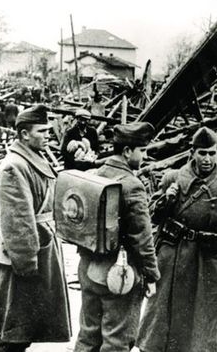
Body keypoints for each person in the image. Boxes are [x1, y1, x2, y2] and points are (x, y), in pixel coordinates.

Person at [137, 126, 217, 352]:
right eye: (202, 153)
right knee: (164, 322)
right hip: (173, 258)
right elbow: (153, 216)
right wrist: (167, 199)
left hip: (208, 264)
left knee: (204, 326)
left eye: (212, 153)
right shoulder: (172, 179)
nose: (207, 159)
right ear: (192, 152)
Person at [0, 105, 71, 351]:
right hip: (24, 256)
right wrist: (26, 262)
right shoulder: (15, 166)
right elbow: (17, 220)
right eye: (42, 131)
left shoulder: (32, 158)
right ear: (24, 134)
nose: (48, 135)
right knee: (16, 329)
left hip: (39, 246)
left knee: (26, 324)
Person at [75, 122, 160, 352]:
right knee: (118, 340)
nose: (145, 155)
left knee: (88, 335)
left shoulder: (95, 174)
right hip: (120, 274)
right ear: (127, 152)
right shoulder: (133, 185)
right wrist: (151, 275)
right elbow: (142, 238)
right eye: (142, 150)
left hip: (89, 268)